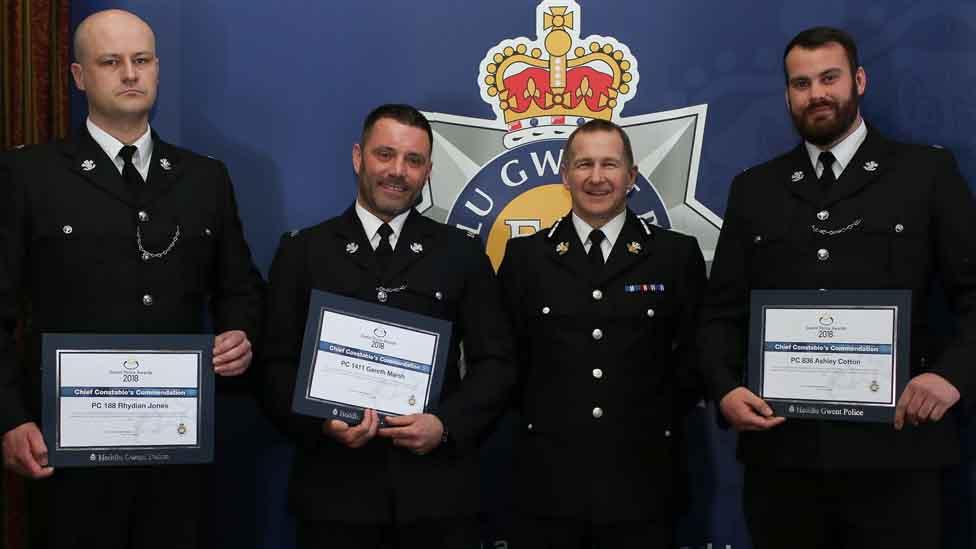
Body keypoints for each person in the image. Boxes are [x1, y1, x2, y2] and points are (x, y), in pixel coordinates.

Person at [700, 26, 976, 549]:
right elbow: (720, 313)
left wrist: (950, 377)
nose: (816, 94)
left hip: (896, 454)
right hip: (784, 459)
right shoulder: (755, 189)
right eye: (800, 84)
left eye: (829, 78)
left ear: (860, 80)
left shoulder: (925, 173)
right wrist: (725, 389)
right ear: (787, 95)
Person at [0, 9, 265, 548]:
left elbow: (240, 287)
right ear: (79, 77)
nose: (129, 74)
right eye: (111, 61)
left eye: (141, 60)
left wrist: (241, 334)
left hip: (176, 448)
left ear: (158, 70)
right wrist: (9, 418)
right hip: (68, 448)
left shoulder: (204, 178)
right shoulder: (29, 175)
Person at [262, 103, 516, 549]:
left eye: (413, 160)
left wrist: (446, 424)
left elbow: (496, 361)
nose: (398, 171)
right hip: (334, 494)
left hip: (437, 497)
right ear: (359, 157)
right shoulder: (304, 252)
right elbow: (275, 363)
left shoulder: (462, 254)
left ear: (428, 171)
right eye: (385, 154)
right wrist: (322, 423)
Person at [497, 119, 706, 548]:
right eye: (584, 164)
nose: (596, 177)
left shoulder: (674, 255)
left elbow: (694, 360)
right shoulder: (526, 258)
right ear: (564, 175)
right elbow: (505, 360)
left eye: (610, 165)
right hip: (548, 486)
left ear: (631, 177)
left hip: (644, 483)